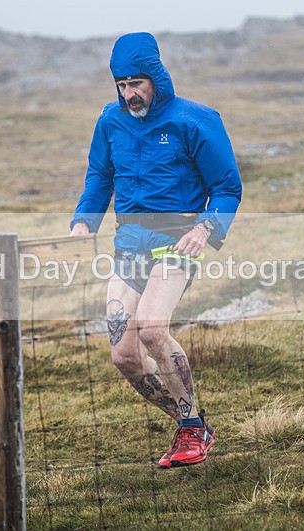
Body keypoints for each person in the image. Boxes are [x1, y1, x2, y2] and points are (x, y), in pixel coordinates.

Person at [69, 32, 242, 468]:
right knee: (123, 353)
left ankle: (190, 432)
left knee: (150, 326)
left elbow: (227, 187)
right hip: (129, 245)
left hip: (178, 241)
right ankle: (194, 424)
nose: (129, 94)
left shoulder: (196, 120)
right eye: (121, 85)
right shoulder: (110, 120)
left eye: (137, 83)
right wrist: (81, 223)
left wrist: (205, 229)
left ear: (156, 78)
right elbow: (99, 177)